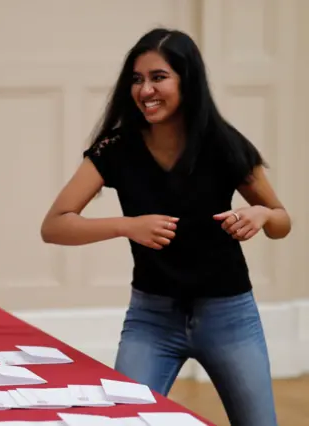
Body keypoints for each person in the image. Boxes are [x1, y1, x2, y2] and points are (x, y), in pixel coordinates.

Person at [41, 28, 290, 426]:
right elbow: (54, 226)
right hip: (152, 318)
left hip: (229, 316)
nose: (145, 90)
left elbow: (282, 221)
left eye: (159, 77)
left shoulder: (224, 145)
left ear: (186, 81)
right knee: (122, 420)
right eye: (137, 80)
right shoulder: (116, 147)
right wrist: (127, 226)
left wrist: (260, 215)